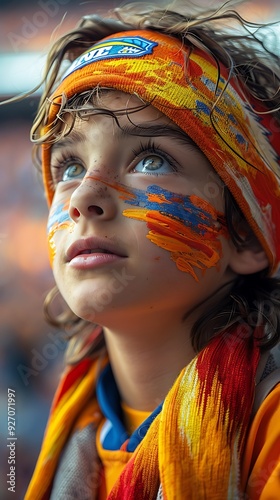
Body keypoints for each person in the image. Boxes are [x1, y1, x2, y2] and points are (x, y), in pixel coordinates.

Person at [23, 1, 280, 498]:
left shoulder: (267, 427)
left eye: (152, 158)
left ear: (245, 234)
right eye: (70, 166)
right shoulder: (77, 426)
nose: (84, 197)